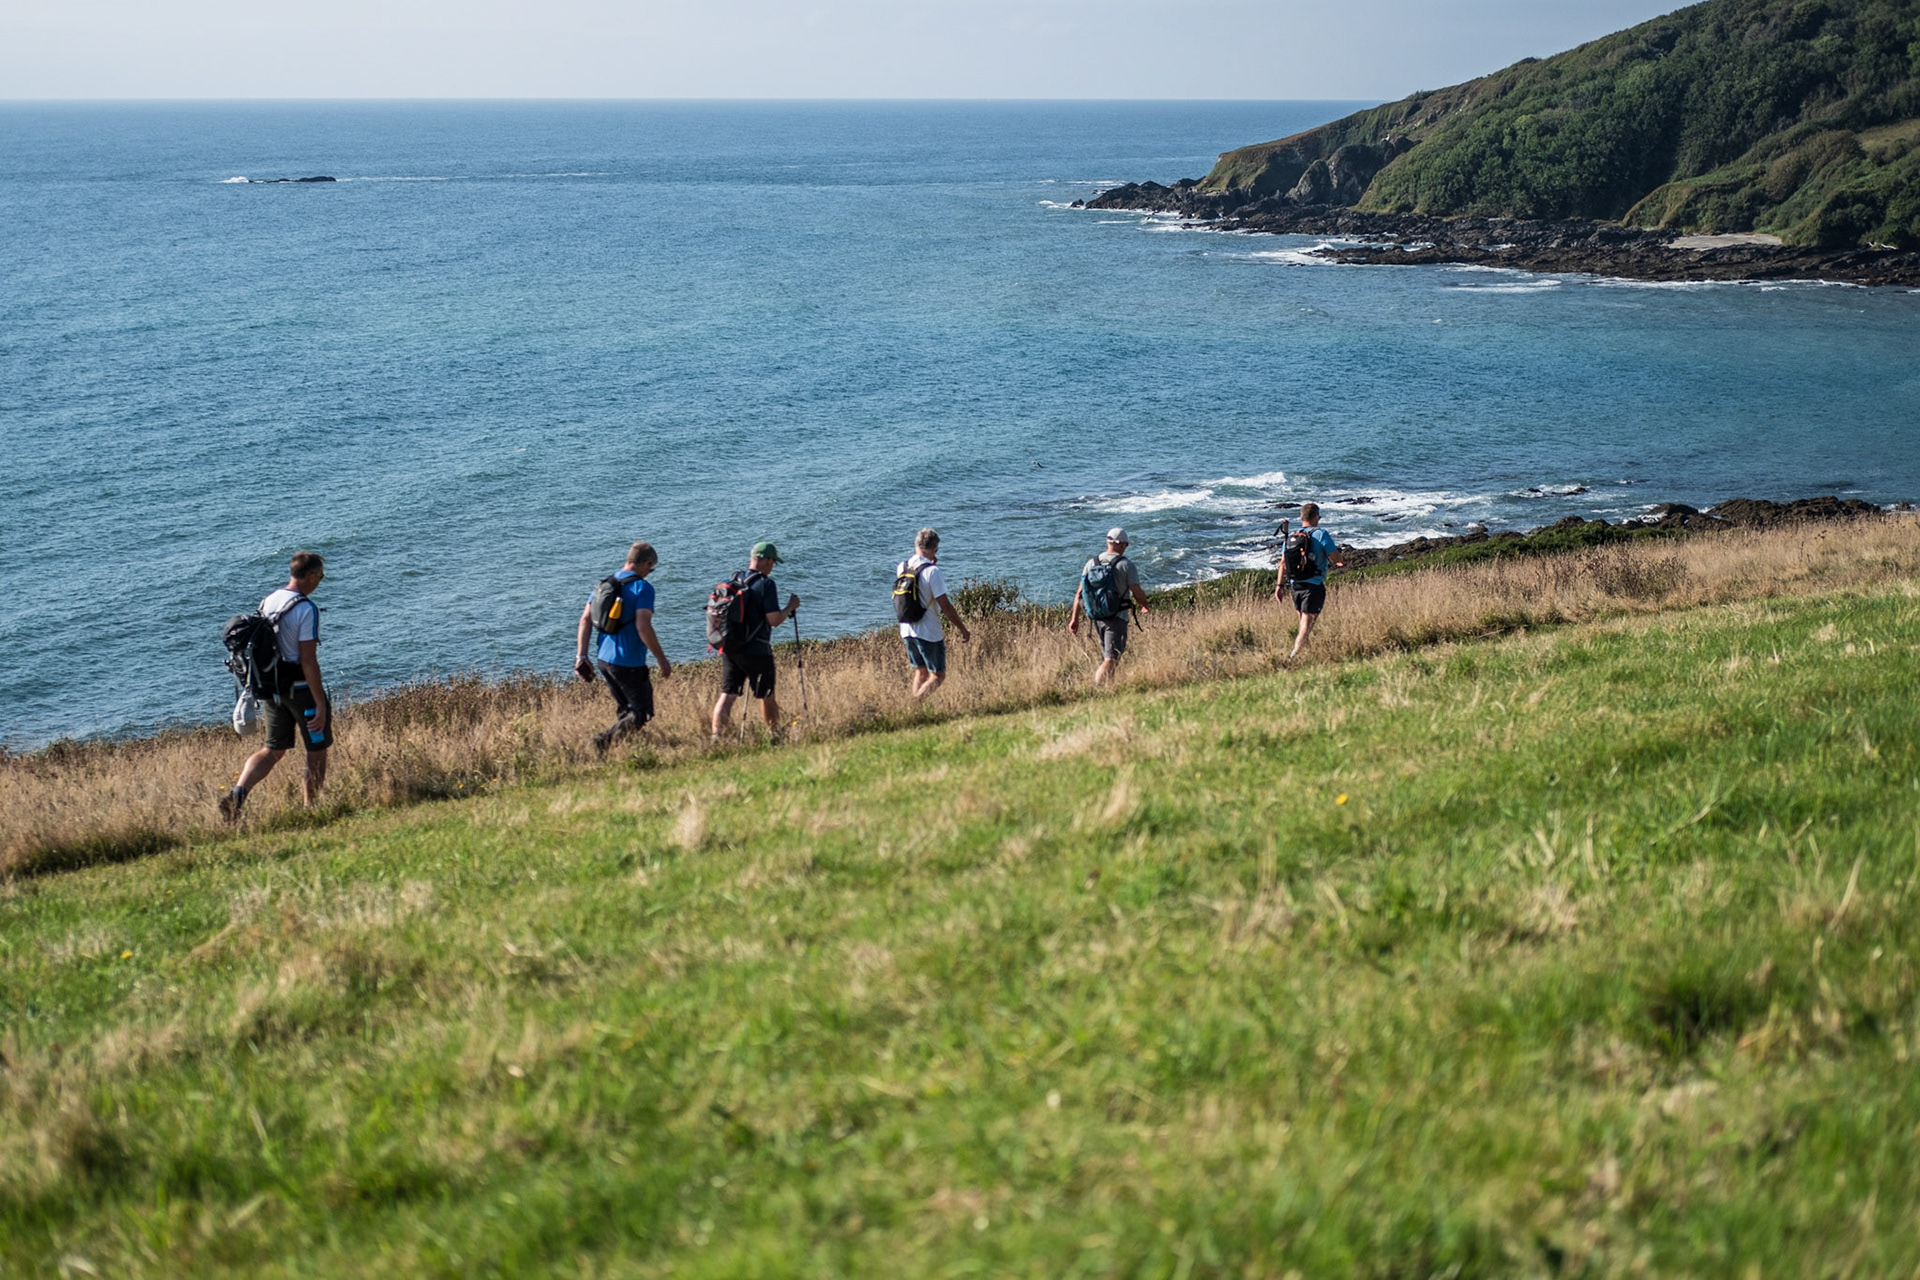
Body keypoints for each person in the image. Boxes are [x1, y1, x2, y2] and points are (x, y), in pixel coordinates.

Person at [219, 551, 331, 819]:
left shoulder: (269, 600)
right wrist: (319, 703)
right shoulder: (306, 609)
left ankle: (238, 794)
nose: (320, 581)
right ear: (311, 576)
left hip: (271, 688)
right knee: (316, 749)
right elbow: (308, 660)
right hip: (301, 690)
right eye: (321, 576)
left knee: (273, 749)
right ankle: (310, 810)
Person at [574, 541, 672, 754]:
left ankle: (626, 751)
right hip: (628, 661)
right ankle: (602, 743)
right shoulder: (642, 588)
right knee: (642, 712)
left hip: (604, 659)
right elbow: (643, 626)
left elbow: (585, 620)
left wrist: (581, 656)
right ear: (645, 563)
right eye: (651, 568)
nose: (649, 573)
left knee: (626, 709)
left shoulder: (605, 584)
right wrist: (661, 659)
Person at [710, 541, 800, 741]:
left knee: (728, 694)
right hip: (757, 649)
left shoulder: (732, 579)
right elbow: (774, 620)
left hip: (730, 646)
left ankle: (716, 737)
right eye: (773, 562)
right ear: (766, 561)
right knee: (766, 694)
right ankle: (774, 735)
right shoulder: (766, 584)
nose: (772, 566)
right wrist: (790, 606)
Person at [1067, 526, 1151, 686]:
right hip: (1117, 618)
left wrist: (1074, 619)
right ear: (1123, 544)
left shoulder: (1091, 563)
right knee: (1111, 659)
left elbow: (1079, 594)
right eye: (1126, 545)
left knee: (1108, 657)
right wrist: (1145, 604)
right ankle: (1096, 689)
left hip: (1097, 617)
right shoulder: (1126, 565)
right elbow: (1136, 590)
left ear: (1108, 542)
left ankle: (1109, 689)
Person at [895, 527, 972, 699]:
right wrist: (962, 628)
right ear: (935, 549)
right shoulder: (932, 571)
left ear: (916, 545)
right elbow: (945, 606)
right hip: (928, 632)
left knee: (921, 671)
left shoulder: (902, 567)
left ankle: (915, 710)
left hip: (906, 629)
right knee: (938, 675)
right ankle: (914, 705)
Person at [1275, 501, 1345, 660]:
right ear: (1316, 517)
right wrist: (1341, 561)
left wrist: (1279, 586)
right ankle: (1292, 658)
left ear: (1302, 518)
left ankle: (1309, 658)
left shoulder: (1292, 537)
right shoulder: (1321, 534)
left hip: (1295, 585)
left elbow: (1283, 563)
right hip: (1313, 585)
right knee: (1306, 626)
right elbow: (1336, 558)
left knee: (1303, 624)